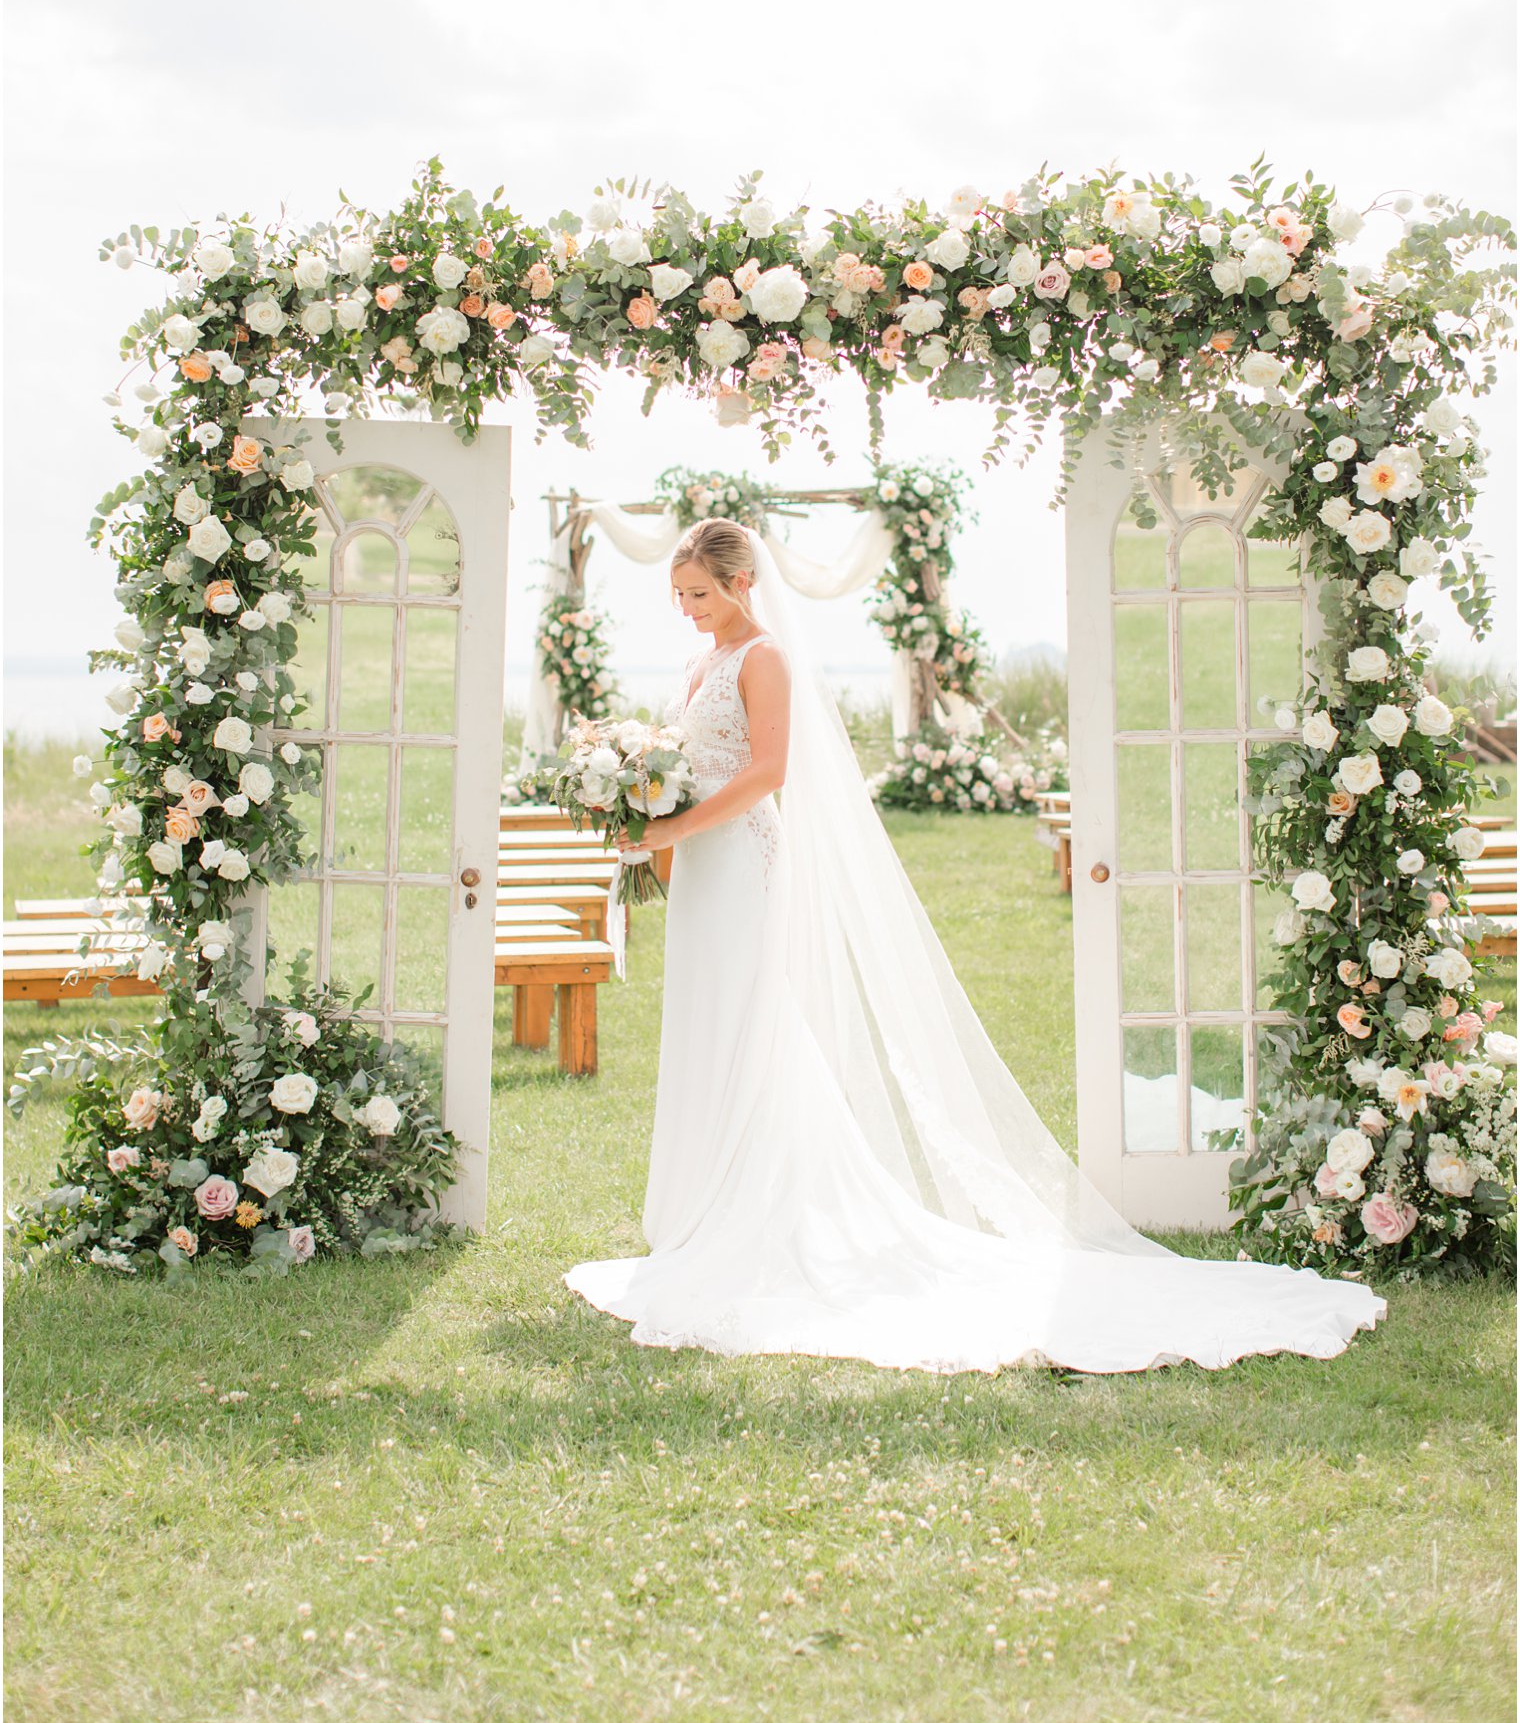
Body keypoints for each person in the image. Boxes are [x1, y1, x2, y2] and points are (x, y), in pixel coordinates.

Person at [564, 518, 1386, 1374]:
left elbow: (769, 771)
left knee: (749, 1024)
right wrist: (644, 807)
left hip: (743, 862)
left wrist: (675, 824)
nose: (689, 610)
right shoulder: (699, 663)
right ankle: (700, 1207)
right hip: (702, 867)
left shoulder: (764, 657)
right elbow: (692, 760)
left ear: (742, 584)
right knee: (704, 1023)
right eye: (679, 596)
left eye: (700, 593)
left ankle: (758, 1210)